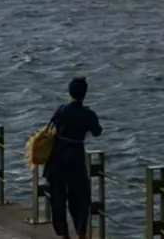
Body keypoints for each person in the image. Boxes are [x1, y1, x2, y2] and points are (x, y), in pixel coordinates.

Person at [43, 76, 103, 239]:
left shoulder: (61, 109)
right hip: (76, 158)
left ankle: (64, 234)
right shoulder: (87, 113)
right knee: (81, 197)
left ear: (70, 92)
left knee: (58, 198)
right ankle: (81, 232)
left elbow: (50, 128)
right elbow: (97, 131)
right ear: (85, 94)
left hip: (57, 158)